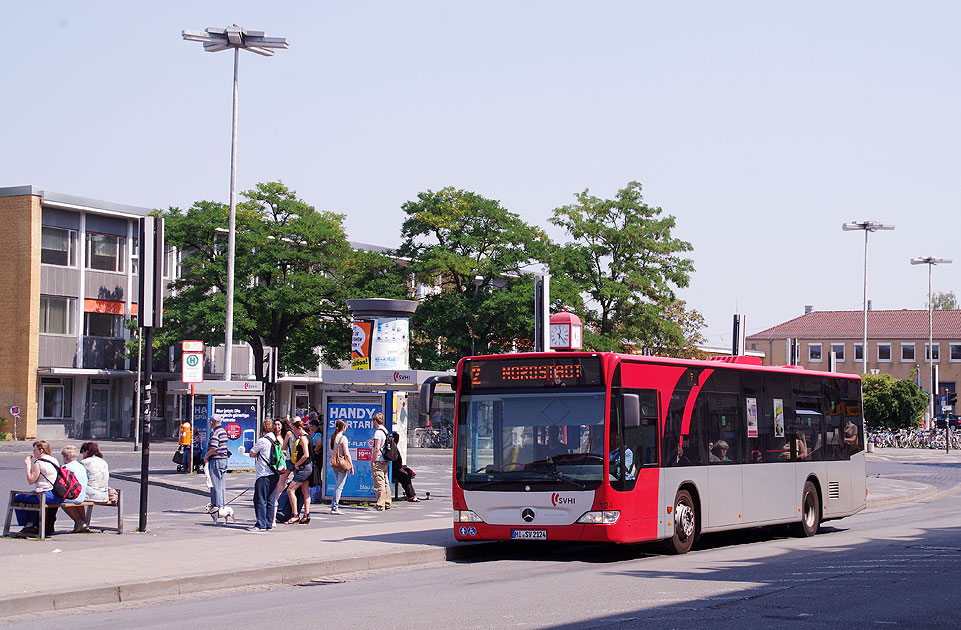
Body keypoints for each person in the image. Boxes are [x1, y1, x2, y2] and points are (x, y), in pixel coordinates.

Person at [13, 441, 64, 536]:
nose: (33, 452)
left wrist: (28, 465)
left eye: (35, 450)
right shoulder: (54, 460)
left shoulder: (39, 463)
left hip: (45, 495)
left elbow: (31, 480)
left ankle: (28, 525)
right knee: (30, 498)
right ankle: (31, 524)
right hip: (56, 495)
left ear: (41, 450)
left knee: (17, 498)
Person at [247, 418, 280, 531]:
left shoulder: (263, 440)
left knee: (260, 499)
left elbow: (252, 453)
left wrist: (258, 455)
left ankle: (260, 524)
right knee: (271, 499)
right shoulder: (275, 439)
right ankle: (268, 523)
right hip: (274, 473)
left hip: (263, 473)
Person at [284, 419, 312, 524]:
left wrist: (297, 464)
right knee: (305, 492)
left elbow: (306, 455)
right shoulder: (309, 437)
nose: (294, 433)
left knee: (290, 490)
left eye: (295, 430)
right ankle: (306, 514)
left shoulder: (303, 439)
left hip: (303, 468)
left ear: (299, 428)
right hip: (308, 467)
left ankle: (295, 514)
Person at [59, 445, 89, 533]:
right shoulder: (81, 466)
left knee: (61, 502)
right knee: (79, 503)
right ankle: (85, 523)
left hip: (73, 496)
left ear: (65, 457)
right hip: (82, 496)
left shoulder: (66, 468)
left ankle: (78, 522)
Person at [203, 415, 229, 513]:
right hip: (224, 460)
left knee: (216, 485)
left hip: (216, 460)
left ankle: (217, 508)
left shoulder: (215, 432)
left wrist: (206, 456)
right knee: (221, 484)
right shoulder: (223, 431)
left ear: (211, 423)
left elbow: (214, 448)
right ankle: (222, 506)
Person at [328, 419, 353, 514]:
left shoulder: (332, 437)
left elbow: (330, 451)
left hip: (334, 464)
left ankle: (334, 506)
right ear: (343, 427)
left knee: (337, 484)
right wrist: (351, 466)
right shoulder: (343, 439)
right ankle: (334, 507)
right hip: (342, 464)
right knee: (339, 486)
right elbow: (346, 454)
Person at [271, 418, 293, 526]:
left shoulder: (285, 436)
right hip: (274, 463)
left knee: (282, 482)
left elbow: (285, 449)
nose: (277, 427)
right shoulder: (271, 436)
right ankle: (276, 501)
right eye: (275, 425)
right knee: (278, 482)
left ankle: (278, 501)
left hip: (283, 462)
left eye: (278, 425)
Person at [371, 412, 391, 510]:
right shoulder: (385, 430)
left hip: (379, 460)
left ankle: (380, 504)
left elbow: (376, 448)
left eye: (373, 421)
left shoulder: (378, 432)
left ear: (375, 421)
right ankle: (387, 502)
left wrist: (373, 460)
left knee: (379, 482)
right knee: (385, 481)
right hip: (385, 459)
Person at [391, 432, 419, 502]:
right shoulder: (394, 449)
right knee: (405, 477)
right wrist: (403, 470)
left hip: (394, 470)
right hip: (394, 471)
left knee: (406, 475)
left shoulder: (393, 448)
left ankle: (410, 495)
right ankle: (411, 495)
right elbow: (396, 464)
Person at [308, 419, 324, 503]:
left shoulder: (318, 434)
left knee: (316, 472)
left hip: (316, 455)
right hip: (315, 454)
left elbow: (318, 444)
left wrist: (314, 450)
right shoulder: (313, 434)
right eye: (310, 426)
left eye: (313, 426)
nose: (311, 428)